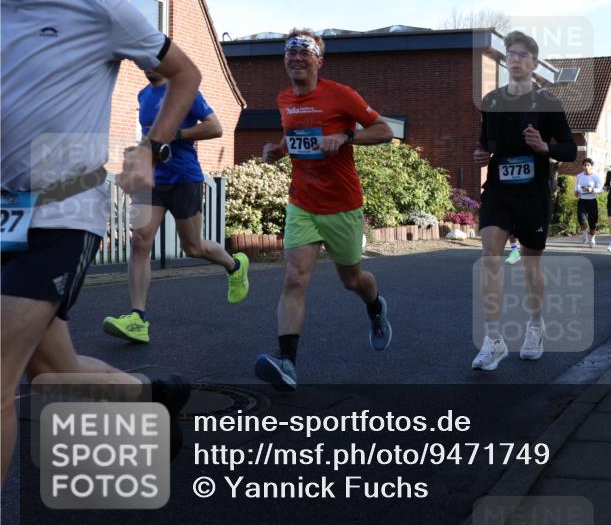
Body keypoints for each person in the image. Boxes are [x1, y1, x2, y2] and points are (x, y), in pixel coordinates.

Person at [1, 0, 202, 479]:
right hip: (4, 215)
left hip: (63, 213)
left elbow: (185, 73)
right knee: (51, 370)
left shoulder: (98, 8)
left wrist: (151, 145)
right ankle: (149, 398)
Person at [254, 29, 395, 391]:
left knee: (352, 280)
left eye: (306, 52)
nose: (297, 58)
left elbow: (384, 130)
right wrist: (278, 150)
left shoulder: (340, 95)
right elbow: (295, 137)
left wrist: (346, 137)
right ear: (284, 60)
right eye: (291, 52)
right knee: (294, 277)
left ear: (319, 60)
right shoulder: (284, 98)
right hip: (302, 202)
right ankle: (287, 362)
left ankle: (376, 306)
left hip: (342, 206)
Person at [102, 71, 250, 343]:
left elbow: (215, 127)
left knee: (193, 248)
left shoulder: (184, 91)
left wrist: (177, 133)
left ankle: (234, 266)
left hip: (183, 177)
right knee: (140, 241)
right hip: (152, 179)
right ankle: (138, 318)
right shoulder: (144, 95)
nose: (148, 63)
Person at [472, 31, 576, 370]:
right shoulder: (492, 101)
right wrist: (481, 155)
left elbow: (570, 149)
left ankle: (535, 325)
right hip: (500, 191)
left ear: (533, 63)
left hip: (533, 193)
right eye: (509, 54)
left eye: (520, 55)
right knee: (491, 255)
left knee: (531, 265)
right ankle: (493, 339)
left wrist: (545, 148)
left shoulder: (548, 103)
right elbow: (484, 144)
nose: (513, 59)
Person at [574, 158, 602, 248]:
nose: (586, 167)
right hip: (582, 200)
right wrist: (576, 192)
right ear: (582, 166)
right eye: (584, 165)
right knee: (582, 220)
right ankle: (585, 233)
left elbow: (601, 189)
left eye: (588, 165)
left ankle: (592, 237)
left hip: (592, 201)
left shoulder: (595, 177)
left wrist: (592, 190)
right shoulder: (579, 176)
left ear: (591, 167)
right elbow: (576, 187)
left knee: (593, 222)